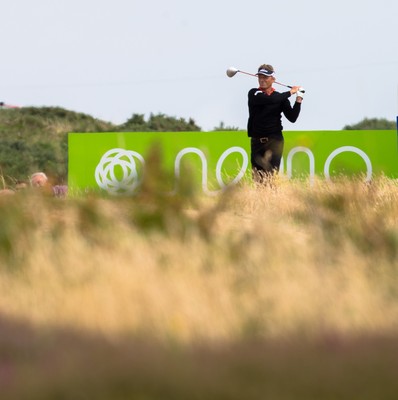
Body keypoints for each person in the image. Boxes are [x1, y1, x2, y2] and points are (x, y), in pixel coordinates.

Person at [247, 63, 304, 183]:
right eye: (260, 77)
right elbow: (270, 100)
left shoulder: (280, 98)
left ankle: (272, 200)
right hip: (257, 142)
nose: (262, 80)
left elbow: (292, 117)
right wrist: (290, 93)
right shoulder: (254, 94)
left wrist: (298, 100)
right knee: (258, 179)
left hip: (275, 141)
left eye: (265, 77)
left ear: (273, 79)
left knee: (271, 177)